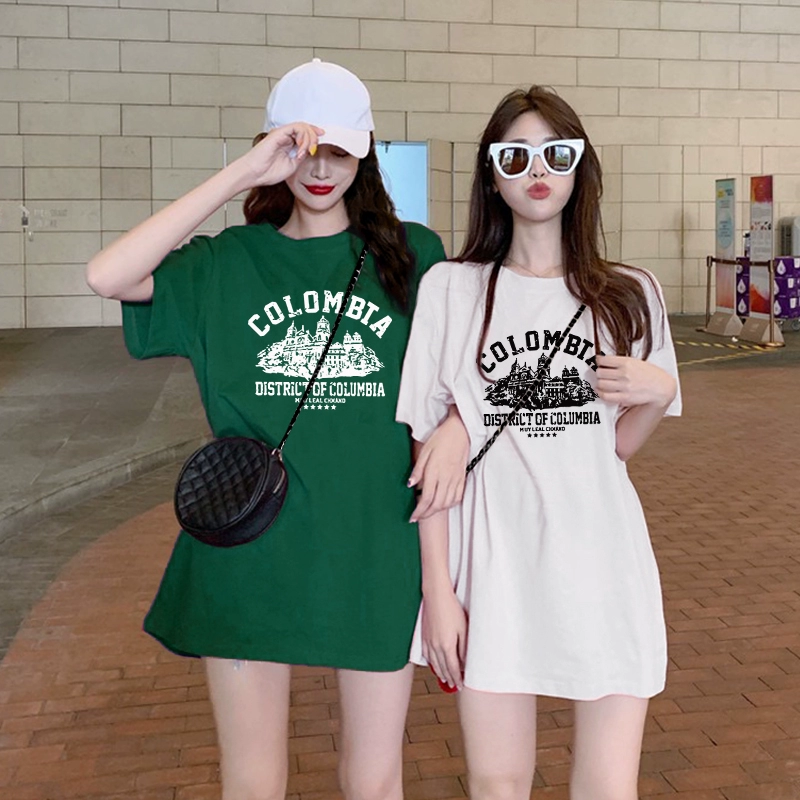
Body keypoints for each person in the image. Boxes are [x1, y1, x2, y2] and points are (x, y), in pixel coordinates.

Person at [86, 59, 467, 800]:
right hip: (251, 547)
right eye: (301, 149)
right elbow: (108, 276)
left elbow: (451, 388)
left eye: (339, 150)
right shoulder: (226, 263)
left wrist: (455, 428)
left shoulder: (412, 256)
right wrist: (241, 176)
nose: (319, 169)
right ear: (274, 149)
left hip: (372, 547)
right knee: (253, 782)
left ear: (365, 153)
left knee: (375, 780)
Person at [396, 86, 681, 800]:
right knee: (497, 781)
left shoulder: (630, 292)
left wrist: (660, 392)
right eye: (514, 156)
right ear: (491, 176)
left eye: (556, 153)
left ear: (581, 168)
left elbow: (616, 448)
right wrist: (438, 591)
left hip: (601, 557)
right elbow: (428, 461)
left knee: (608, 786)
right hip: (495, 567)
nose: (537, 171)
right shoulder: (451, 289)